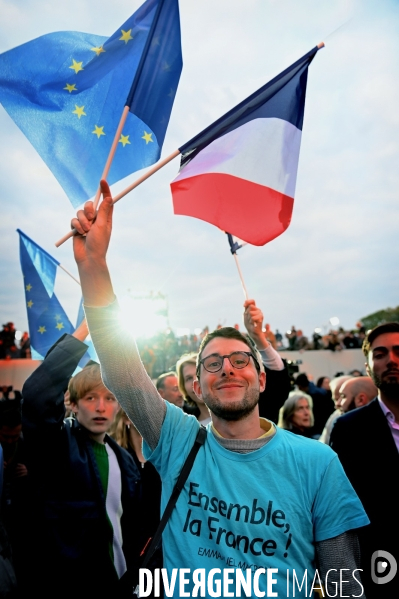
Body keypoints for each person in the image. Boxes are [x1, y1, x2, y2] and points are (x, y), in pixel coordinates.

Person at [71, 181, 369, 598]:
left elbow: (343, 583)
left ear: (262, 378)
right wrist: (94, 266)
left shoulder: (317, 463)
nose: (227, 369)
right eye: (212, 363)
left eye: (240, 360)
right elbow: (121, 371)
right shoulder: (176, 439)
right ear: (196, 385)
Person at [21, 318, 142, 598]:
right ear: (72, 404)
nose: (101, 407)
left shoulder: (125, 462)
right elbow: (38, 396)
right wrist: (84, 330)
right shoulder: (57, 444)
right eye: (90, 398)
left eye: (110, 398)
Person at [330, 322, 399, 598]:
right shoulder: (349, 429)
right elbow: (343, 512)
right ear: (369, 366)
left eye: (398, 350)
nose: (391, 359)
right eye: (380, 354)